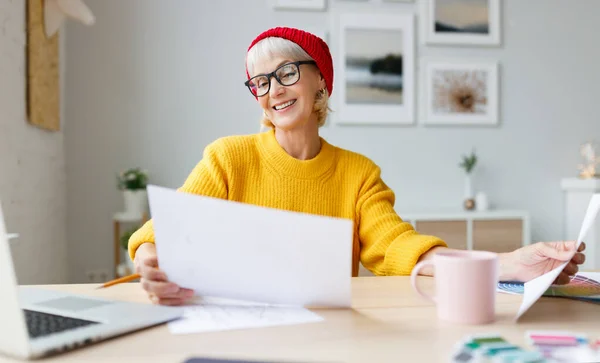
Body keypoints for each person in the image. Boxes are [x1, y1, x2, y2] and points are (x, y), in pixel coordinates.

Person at [128, 27, 586, 306]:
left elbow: (401, 249)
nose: (274, 90)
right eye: (260, 82)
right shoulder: (228, 157)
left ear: (319, 82)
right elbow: (161, 234)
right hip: (234, 326)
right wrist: (152, 263)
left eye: (287, 73)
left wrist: (506, 263)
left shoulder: (357, 172)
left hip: (327, 333)